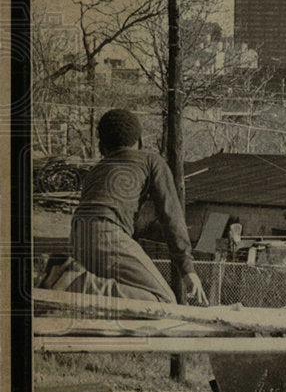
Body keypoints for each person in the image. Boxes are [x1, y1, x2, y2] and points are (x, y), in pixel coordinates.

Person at [70, 109, 207, 305]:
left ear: (102, 147)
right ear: (140, 141)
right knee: (164, 300)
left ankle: (75, 281)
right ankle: (76, 284)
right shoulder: (151, 161)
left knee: (123, 301)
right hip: (108, 234)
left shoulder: (95, 170)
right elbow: (171, 217)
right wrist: (188, 270)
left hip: (77, 237)